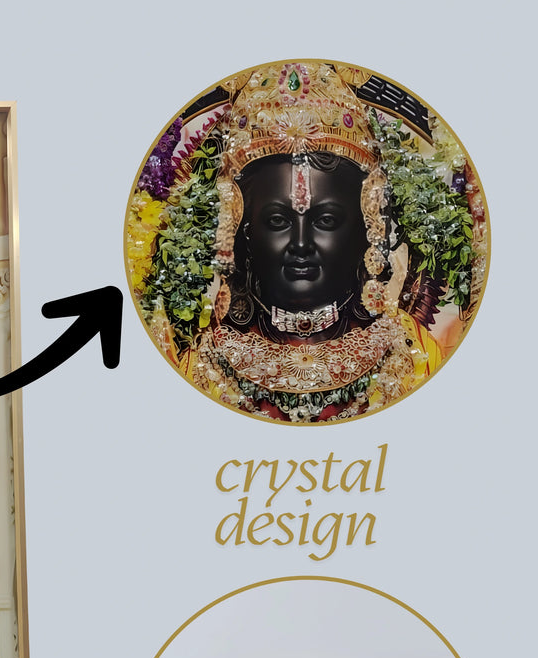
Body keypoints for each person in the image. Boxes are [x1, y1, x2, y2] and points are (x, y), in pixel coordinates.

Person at [132, 61, 482, 423]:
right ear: (241, 231)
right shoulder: (204, 369)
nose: (301, 243)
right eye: (278, 220)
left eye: (325, 220)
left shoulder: (410, 361)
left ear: (368, 228)